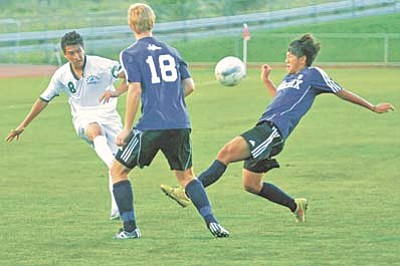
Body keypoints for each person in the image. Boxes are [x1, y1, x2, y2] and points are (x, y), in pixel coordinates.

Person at [160, 33, 395, 223]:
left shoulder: (314, 75)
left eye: (290, 55)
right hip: (267, 128)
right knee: (251, 185)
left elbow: (340, 91)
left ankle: (188, 191)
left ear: (302, 58)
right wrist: (266, 81)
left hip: (272, 131)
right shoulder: (287, 79)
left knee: (225, 153)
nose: (287, 59)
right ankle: (296, 205)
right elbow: (281, 100)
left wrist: (372, 106)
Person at [110, 3, 229, 239]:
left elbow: (134, 90)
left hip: (152, 125)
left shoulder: (130, 53)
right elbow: (189, 86)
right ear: (153, 22)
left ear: (130, 24)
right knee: (187, 177)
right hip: (180, 122)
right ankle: (212, 222)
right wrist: (169, 100)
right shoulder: (172, 51)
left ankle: (130, 229)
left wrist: (126, 129)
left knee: (118, 171)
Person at [5, 31, 128, 220]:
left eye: (79, 51)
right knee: (97, 133)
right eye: (71, 53)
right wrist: (23, 125)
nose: (77, 56)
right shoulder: (61, 74)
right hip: (83, 117)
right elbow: (44, 99)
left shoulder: (102, 64)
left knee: (118, 167)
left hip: (110, 117)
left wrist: (117, 92)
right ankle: (112, 163)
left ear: (83, 49)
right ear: (65, 54)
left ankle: (116, 208)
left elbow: (130, 77)